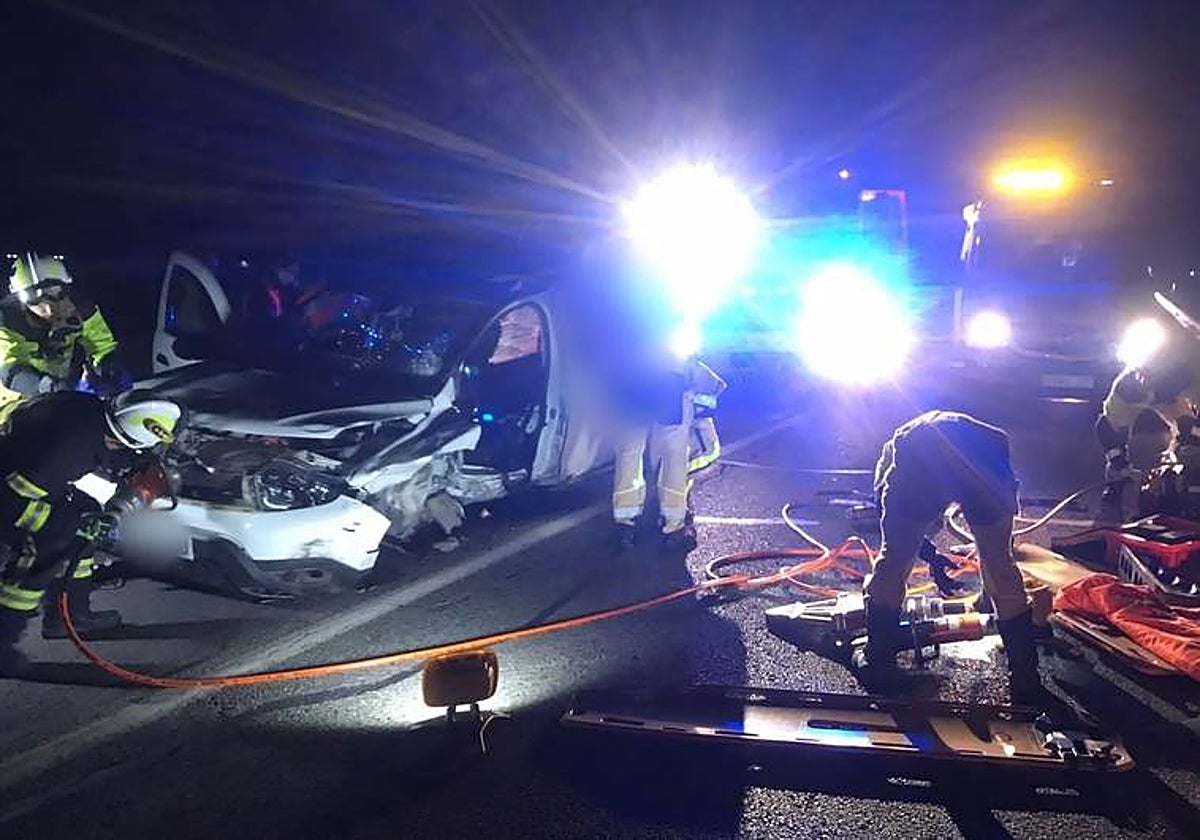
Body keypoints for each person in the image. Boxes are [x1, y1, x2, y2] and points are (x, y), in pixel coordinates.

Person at [855, 410, 1044, 706]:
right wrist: (936, 558)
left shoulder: (896, 461)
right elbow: (998, 542)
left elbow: (900, 533)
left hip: (923, 453)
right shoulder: (982, 435)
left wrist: (928, 555)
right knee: (1000, 563)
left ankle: (876, 659)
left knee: (893, 562)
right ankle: (1025, 680)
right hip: (987, 455)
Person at [0, 391, 182, 676]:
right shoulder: (64, 453)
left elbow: (106, 451)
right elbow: (10, 504)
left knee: (85, 514)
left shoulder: (86, 408)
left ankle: (72, 615)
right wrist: (69, 524)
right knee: (50, 544)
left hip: (20, 473)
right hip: (8, 495)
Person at [0, 253, 126, 424]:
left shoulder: (81, 309)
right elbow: (11, 372)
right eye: (33, 297)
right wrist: (52, 387)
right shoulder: (7, 321)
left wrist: (109, 368)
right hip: (11, 404)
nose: (48, 307)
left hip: (58, 396)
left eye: (55, 292)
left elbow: (103, 345)